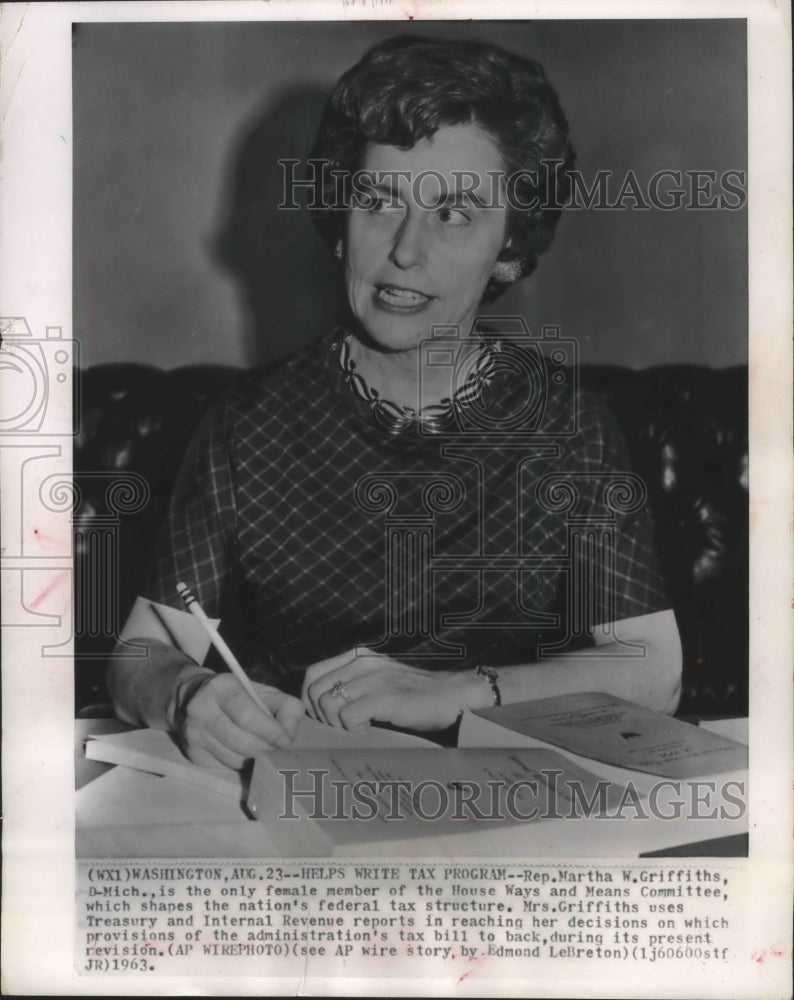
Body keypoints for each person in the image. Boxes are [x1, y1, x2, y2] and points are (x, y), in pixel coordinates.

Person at [108, 35, 682, 770]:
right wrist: (183, 693)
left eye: (454, 214)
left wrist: (453, 692)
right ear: (341, 222)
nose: (405, 251)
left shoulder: (565, 425)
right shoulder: (246, 426)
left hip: (512, 802)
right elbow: (140, 652)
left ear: (509, 247)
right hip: (295, 801)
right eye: (380, 201)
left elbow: (653, 672)